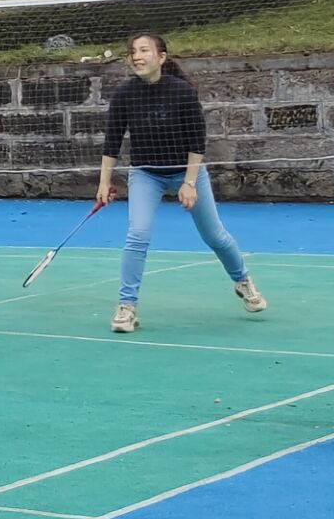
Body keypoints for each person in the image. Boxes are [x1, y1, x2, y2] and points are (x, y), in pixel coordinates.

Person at [95, 32, 266, 334]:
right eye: (133, 51)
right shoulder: (124, 94)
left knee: (215, 236)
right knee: (137, 235)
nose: (137, 56)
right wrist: (104, 182)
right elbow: (112, 141)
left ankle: (242, 280)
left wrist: (189, 183)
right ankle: (126, 306)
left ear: (161, 57)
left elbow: (197, 141)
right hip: (145, 173)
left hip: (187, 170)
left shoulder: (182, 92)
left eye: (144, 50)